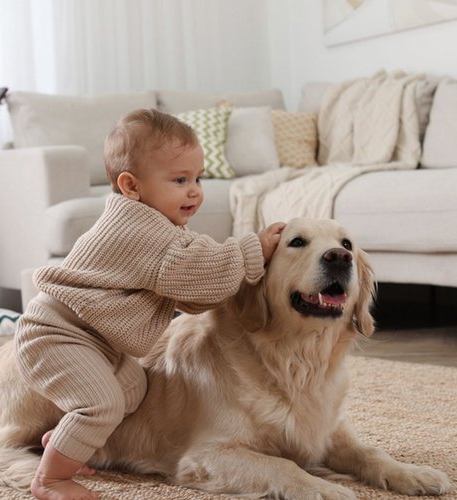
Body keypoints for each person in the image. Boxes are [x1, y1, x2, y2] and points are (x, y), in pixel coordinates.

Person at [17, 108, 285, 500]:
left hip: (92, 339)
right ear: (131, 186)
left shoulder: (157, 227)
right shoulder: (138, 229)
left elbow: (192, 292)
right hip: (56, 333)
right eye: (179, 180)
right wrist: (252, 249)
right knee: (102, 404)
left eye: (198, 178)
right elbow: (197, 268)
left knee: (134, 387)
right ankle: (50, 479)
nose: (194, 190)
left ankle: (65, 440)